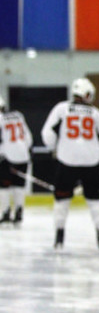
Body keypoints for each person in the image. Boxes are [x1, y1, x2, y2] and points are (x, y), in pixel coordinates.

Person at [41, 78, 99, 249]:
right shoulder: (97, 114)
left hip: (67, 161)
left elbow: (47, 133)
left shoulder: (61, 109)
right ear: (87, 94)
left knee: (62, 200)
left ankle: (59, 235)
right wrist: (96, 159)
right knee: (95, 201)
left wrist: (54, 148)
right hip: (91, 163)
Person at [0, 95, 33, 225]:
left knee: (4, 186)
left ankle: (6, 211)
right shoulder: (18, 115)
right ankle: (19, 212)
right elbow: (28, 137)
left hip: (7, 157)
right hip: (23, 156)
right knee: (19, 185)